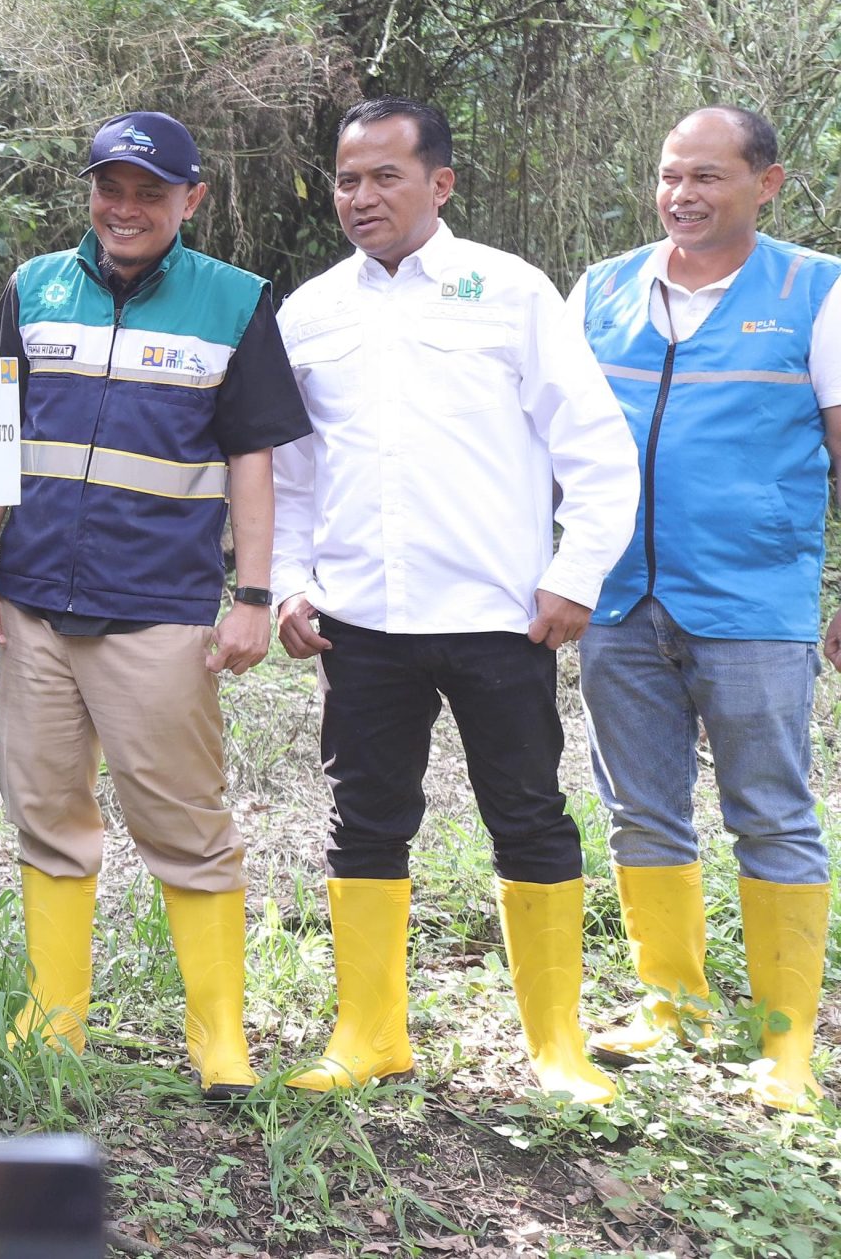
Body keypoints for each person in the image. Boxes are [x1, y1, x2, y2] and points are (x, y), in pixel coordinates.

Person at [272, 96, 639, 1105]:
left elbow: (595, 447)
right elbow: (293, 475)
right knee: (364, 820)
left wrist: (574, 574)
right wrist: (290, 585)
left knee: (525, 814)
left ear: (439, 183)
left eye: (385, 176)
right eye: (348, 178)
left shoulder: (509, 292)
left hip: (496, 616)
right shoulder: (309, 312)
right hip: (362, 622)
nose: (362, 196)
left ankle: (555, 1047)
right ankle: (369, 1034)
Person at [0, 113, 310, 1097]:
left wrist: (250, 595)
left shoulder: (233, 303)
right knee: (46, 814)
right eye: (111, 186)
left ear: (191, 200)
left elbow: (253, 463)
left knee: (185, 826)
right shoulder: (33, 286)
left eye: (150, 192)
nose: (125, 208)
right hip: (32, 605)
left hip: (156, 610)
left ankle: (218, 1038)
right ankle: (52, 1023)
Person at [570, 105, 837, 1113]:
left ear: (764, 184)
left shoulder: (817, 293)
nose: (682, 195)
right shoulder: (599, 291)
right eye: (669, 174)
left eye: (708, 177)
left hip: (753, 601)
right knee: (640, 807)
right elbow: (553, 443)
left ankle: (784, 1047)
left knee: (770, 814)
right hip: (615, 598)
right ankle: (670, 1003)